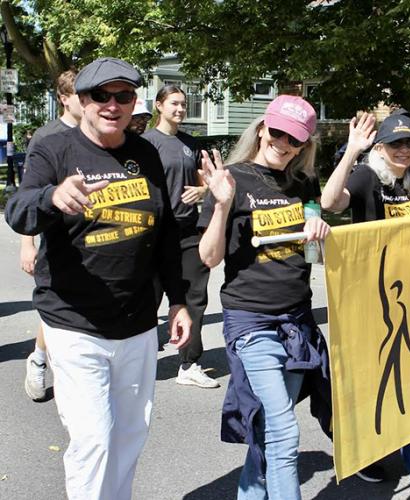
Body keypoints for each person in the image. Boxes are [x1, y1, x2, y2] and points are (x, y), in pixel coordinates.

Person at [5, 57, 192, 500]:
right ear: (83, 101)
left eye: (123, 96)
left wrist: (179, 302)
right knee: (93, 441)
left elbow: (164, 233)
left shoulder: (144, 152)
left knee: (129, 436)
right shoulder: (53, 147)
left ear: (134, 103)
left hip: (138, 323)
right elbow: (19, 211)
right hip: (73, 321)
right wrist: (53, 196)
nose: (113, 105)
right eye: (101, 96)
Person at [321, 112, 410, 500]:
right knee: (366, 386)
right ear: (380, 148)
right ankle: (359, 445)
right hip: (369, 300)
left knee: (408, 383)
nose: (404, 150)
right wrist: (352, 151)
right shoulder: (369, 177)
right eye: (395, 144)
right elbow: (331, 202)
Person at [198, 95, 332, 500]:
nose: (284, 143)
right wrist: (221, 206)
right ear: (261, 129)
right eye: (277, 132)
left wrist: (317, 234)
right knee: (284, 432)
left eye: (295, 140)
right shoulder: (232, 180)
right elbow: (208, 257)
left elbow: (313, 255)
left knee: (270, 428)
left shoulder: (305, 183)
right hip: (251, 321)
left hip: (297, 320)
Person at [143, 84, 217, 388]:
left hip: (188, 231)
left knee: (193, 298)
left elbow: (206, 180)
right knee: (148, 299)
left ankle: (189, 363)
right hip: (154, 233)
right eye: (174, 103)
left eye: (184, 104)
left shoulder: (191, 143)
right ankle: (139, 360)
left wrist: (203, 189)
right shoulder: (146, 143)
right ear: (159, 106)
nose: (180, 109)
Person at [20, 68, 83, 402]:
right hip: (55, 238)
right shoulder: (47, 137)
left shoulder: (98, 134)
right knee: (57, 305)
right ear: (64, 98)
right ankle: (39, 358)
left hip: (92, 239)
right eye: (80, 95)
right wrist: (27, 243)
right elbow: (28, 197)